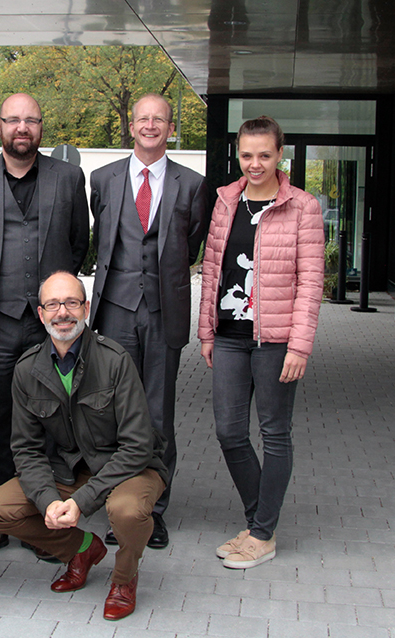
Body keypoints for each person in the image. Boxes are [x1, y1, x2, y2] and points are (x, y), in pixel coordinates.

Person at [0, 271, 168, 621]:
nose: (62, 312)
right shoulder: (27, 369)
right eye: (52, 304)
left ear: (86, 308)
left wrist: (80, 502)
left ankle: (124, 579)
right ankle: (81, 550)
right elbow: (26, 449)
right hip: (69, 467)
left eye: (71, 302)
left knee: (126, 511)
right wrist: (49, 500)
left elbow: (138, 446)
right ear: (41, 313)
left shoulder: (115, 360)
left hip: (129, 468)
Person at [0, 92, 89, 560]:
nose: (22, 128)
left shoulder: (68, 178)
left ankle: (43, 520)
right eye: (14, 120)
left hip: (53, 323)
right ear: (0, 126)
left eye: (31, 120)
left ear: (41, 127)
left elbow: (78, 243)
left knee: (53, 419)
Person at [198, 116, 323, 569]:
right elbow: (213, 270)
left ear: (279, 156)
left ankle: (263, 533)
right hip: (230, 337)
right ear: (238, 153)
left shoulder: (302, 207)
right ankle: (257, 524)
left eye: (264, 155)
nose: (255, 164)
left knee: (274, 434)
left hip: (276, 340)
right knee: (229, 432)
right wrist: (206, 331)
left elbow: (311, 282)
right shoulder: (226, 202)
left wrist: (299, 346)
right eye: (247, 155)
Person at [88, 93, 208, 549]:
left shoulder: (191, 184)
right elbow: (99, 238)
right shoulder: (103, 178)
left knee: (158, 416)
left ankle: (152, 512)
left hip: (162, 312)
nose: (151, 125)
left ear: (170, 126)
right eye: (143, 119)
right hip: (115, 311)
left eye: (159, 119)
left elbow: (192, 241)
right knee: (113, 415)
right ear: (131, 126)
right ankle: (120, 506)